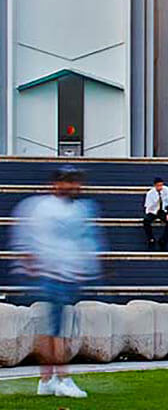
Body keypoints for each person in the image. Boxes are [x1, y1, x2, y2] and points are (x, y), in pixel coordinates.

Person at [10, 166, 104, 398]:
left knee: (52, 329)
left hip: (66, 275)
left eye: (75, 182)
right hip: (53, 275)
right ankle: (63, 379)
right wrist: (33, 265)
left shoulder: (79, 209)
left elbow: (87, 241)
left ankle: (46, 380)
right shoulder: (42, 208)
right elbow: (25, 239)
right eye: (68, 182)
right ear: (56, 184)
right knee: (58, 329)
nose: (74, 186)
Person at [142, 176, 168, 251]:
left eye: (161, 185)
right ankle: (151, 239)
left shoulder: (166, 189)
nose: (160, 187)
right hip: (153, 211)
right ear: (155, 185)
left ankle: (163, 239)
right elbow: (147, 207)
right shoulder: (150, 193)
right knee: (146, 221)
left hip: (162, 210)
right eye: (158, 185)